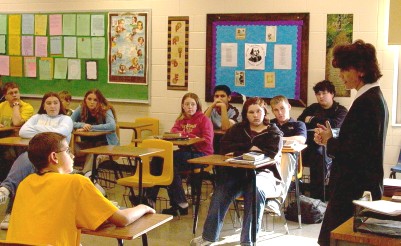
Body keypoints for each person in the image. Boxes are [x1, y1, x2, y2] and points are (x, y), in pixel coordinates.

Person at [6, 132, 155, 245]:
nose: (73, 156)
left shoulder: (25, 183)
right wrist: (143, 207)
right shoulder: (76, 182)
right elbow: (122, 219)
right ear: (54, 157)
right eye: (67, 151)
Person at [313, 40, 389, 246]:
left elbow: (354, 153)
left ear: (361, 70)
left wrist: (330, 141)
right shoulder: (371, 98)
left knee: (335, 240)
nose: (341, 75)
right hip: (354, 184)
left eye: (345, 69)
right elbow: (358, 142)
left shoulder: (368, 102)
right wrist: (331, 139)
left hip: (354, 187)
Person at [191, 97, 283, 246]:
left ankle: (248, 241)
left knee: (255, 190)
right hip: (238, 173)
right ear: (246, 114)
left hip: (264, 174)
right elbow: (225, 147)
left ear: (264, 112)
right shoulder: (238, 129)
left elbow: (271, 151)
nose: (255, 115)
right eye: (251, 112)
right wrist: (250, 149)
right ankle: (208, 237)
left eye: (258, 111)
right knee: (220, 192)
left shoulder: (273, 131)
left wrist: (239, 149)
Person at [0, 92, 74, 230]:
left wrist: (36, 131)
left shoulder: (66, 119)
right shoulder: (36, 117)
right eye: (49, 103)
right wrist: (49, 131)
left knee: (27, 162)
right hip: (36, 154)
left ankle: (7, 191)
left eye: (55, 103)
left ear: (60, 105)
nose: (52, 106)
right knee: (26, 163)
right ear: (43, 106)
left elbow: (60, 134)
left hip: (57, 158)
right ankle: (9, 204)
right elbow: (23, 132)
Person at [147, 92, 213, 216]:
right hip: (185, 152)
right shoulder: (181, 119)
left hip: (202, 154)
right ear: (182, 106)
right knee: (157, 159)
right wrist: (183, 135)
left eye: (193, 104)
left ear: (197, 105)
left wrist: (187, 135)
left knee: (170, 163)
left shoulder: (204, 119)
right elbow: (173, 133)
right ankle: (150, 199)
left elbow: (207, 140)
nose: (190, 107)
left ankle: (180, 203)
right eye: (187, 104)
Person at [297, 80, 348, 201]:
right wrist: (321, 121)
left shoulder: (341, 111)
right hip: (308, 146)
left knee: (319, 156)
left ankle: (317, 199)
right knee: (292, 155)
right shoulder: (313, 107)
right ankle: (298, 197)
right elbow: (300, 122)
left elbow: (334, 125)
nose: (320, 97)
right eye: (318, 94)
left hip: (329, 149)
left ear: (332, 94)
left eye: (324, 93)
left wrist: (312, 119)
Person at [267, 95, 307, 213]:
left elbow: (301, 139)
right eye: (276, 110)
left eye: (282, 108)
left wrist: (278, 139)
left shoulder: (298, 124)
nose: (280, 112)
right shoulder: (270, 124)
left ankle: (277, 200)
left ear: (289, 107)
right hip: (270, 160)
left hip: (289, 162)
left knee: (287, 157)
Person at [70, 89, 119, 173]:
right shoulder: (81, 108)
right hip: (87, 144)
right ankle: (69, 173)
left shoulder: (105, 109)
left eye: (95, 100)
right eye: (89, 99)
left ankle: (85, 175)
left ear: (99, 101)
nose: (92, 102)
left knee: (93, 153)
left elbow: (112, 126)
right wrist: (82, 125)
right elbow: (69, 122)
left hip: (106, 145)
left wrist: (90, 127)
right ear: (85, 99)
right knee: (68, 148)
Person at [0, 82, 34, 181]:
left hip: (19, 140)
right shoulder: (2, 105)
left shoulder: (27, 107)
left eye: (16, 92)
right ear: (5, 96)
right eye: (11, 93)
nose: (14, 95)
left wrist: (15, 105)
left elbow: (16, 123)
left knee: (7, 154)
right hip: (4, 138)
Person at [204, 85, 241, 153]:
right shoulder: (210, 109)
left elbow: (225, 128)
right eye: (216, 96)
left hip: (228, 142)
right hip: (212, 141)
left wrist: (223, 107)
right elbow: (202, 125)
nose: (219, 99)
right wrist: (212, 106)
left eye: (222, 96)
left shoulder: (235, 112)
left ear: (229, 98)